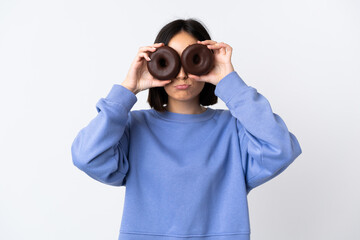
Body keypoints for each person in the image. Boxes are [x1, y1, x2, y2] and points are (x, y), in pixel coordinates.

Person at [71, 18, 302, 240]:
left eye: (191, 60)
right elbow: (86, 156)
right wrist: (127, 89)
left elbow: (280, 149)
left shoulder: (234, 130)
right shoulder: (133, 127)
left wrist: (229, 81)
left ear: (206, 60)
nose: (181, 73)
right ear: (156, 63)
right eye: (169, 61)